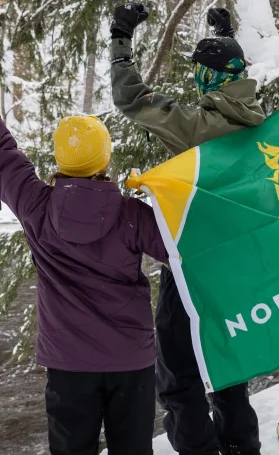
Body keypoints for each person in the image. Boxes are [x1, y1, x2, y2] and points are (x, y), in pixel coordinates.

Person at [110, 2, 264, 455]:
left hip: (194, 263)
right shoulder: (266, 123)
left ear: (209, 80)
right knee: (229, 362)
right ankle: (241, 445)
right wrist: (225, 35)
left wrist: (121, 39)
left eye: (200, 72)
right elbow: (230, 78)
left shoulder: (197, 127)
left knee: (177, 371)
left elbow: (131, 99)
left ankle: (199, 449)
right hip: (244, 267)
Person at [0, 114, 168, 455]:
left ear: (60, 158)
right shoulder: (132, 214)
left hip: (68, 363)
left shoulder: (36, 206)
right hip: (130, 360)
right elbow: (183, 248)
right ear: (106, 158)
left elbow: (4, 157)